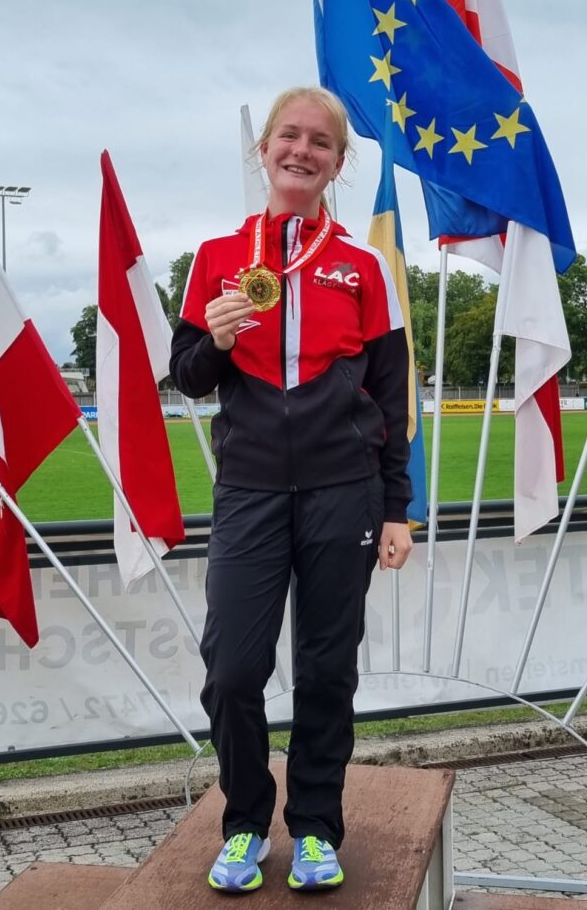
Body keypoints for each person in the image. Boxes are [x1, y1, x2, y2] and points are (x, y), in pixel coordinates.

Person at [169, 86, 413, 893]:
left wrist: (396, 507)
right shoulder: (217, 256)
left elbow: (391, 393)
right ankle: (245, 821)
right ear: (264, 149)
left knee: (326, 668)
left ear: (338, 164)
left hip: (345, 490)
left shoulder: (365, 266)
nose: (302, 150)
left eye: (320, 142)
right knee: (232, 669)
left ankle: (314, 828)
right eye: (289, 135)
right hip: (249, 489)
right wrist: (215, 337)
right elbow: (188, 377)